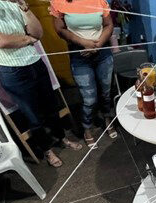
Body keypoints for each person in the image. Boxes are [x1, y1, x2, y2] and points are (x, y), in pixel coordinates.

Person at [0, 0, 83, 168]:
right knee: (32, 115)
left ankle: (61, 138)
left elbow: (37, 32)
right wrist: (28, 39)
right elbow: (0, 41)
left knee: (51, 106)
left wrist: (25, 9)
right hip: (11, 69)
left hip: (35, 61)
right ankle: (47, 149)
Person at [50, 0, 118, 147]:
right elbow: (60, 29)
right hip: (79, 54)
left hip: (102, 51)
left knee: (106, 92)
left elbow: (109, 25)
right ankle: (87, 128)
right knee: (89, 98)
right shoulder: (59, 2)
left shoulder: (100, 1)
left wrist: (97, 45)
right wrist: (82, 42)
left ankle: (107, 118)